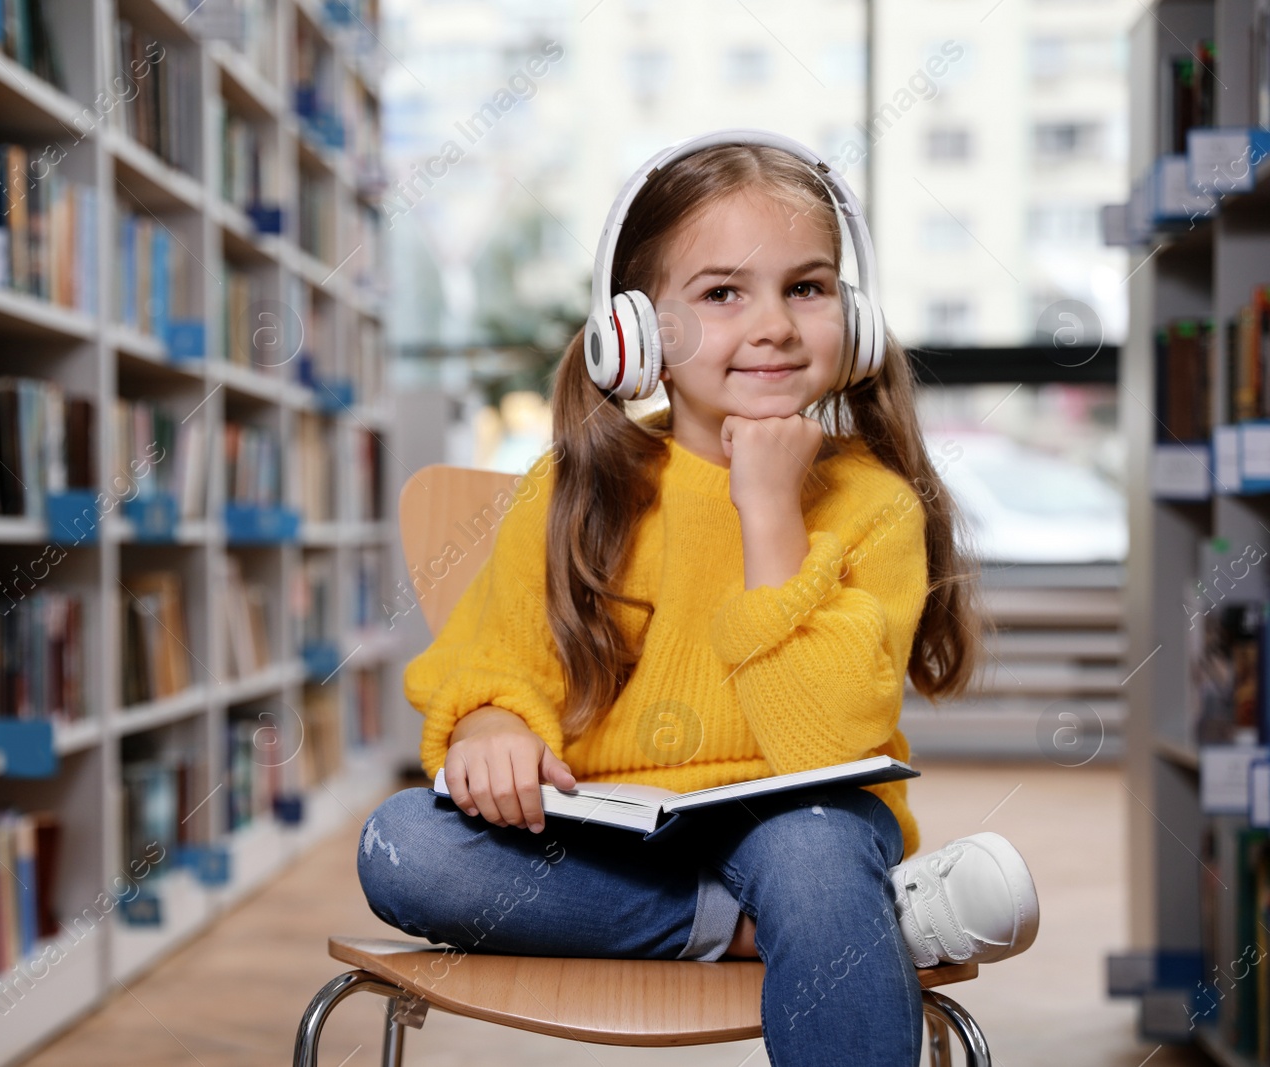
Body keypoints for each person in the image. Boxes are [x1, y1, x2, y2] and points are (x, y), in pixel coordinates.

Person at [356, 133, 1039, 1067]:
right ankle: (780, 930)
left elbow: (828, 742)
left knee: (812, 859)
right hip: (606, 831)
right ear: (635, 332)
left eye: (807, 287)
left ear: (855, 317)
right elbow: (492, 663)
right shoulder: (569, 487)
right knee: (405, 845)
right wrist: (487, 728)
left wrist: (767, 515)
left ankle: (820, 917)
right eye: (723, 294)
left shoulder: (873, 502)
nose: (775, 326)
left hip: (806, 820)